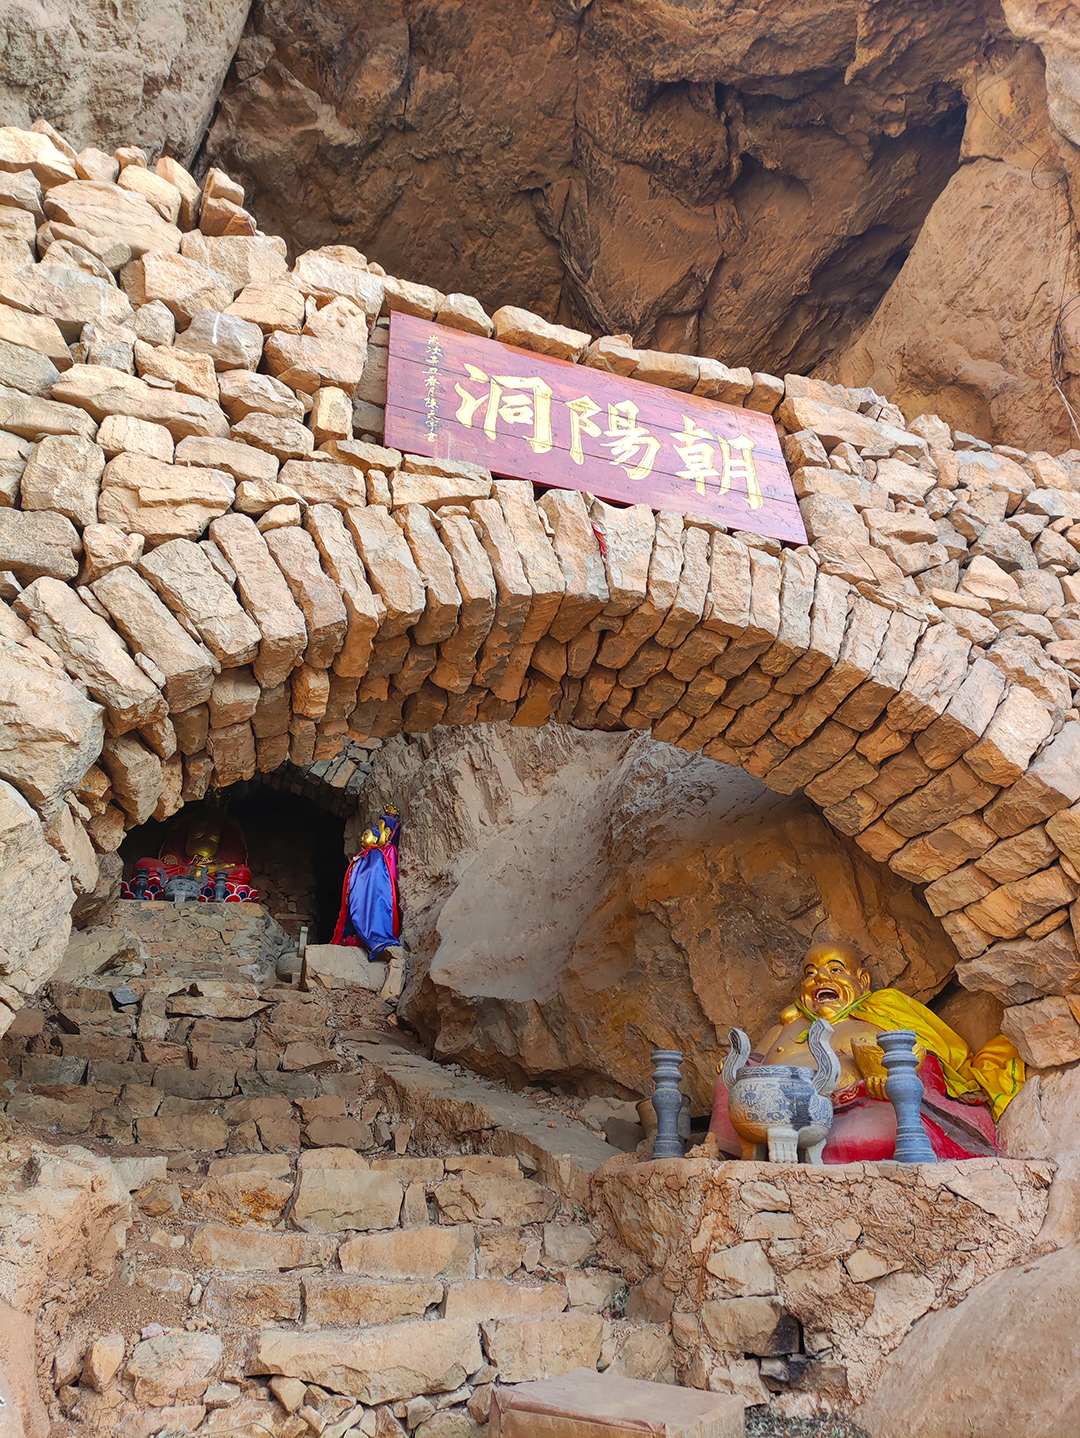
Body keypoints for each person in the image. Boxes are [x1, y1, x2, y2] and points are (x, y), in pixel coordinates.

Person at [702, 940, 1025, 1162]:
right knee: (726, 1082)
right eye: (810, 973)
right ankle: (721, 1148)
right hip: (770, 1113)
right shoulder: (785, 1025)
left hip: (851, 1109)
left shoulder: (881, 1015)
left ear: (862, 980)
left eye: (835, 969)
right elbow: (754, 1060)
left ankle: (822, 1152)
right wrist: (737, 1063)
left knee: (870, 1134)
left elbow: (926, 1060)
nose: (821, 978)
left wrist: (882, 1081)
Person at [332, 807, 407, 999]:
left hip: (371, 896)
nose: (362, 839)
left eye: (366, 834)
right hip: (362, 894)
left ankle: (373, 934)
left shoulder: (376, 857)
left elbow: (375, 884)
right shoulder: (367, 857)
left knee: (370, 908)